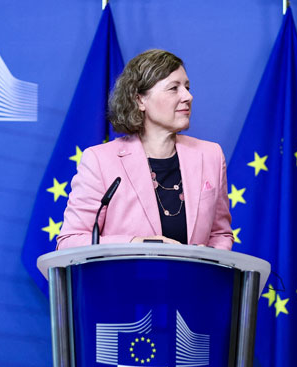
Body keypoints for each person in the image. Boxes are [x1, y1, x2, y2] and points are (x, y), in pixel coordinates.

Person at [56, 49, 233, 250]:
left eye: (187, 87)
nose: (188, 96)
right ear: (140, 100)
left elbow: (221, 234)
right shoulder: (100, 161)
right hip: (123, 280)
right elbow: (70, 241)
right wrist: (135, 244)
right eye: (174, 88)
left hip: (193, 280)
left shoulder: (211, 155)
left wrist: (209, 257)